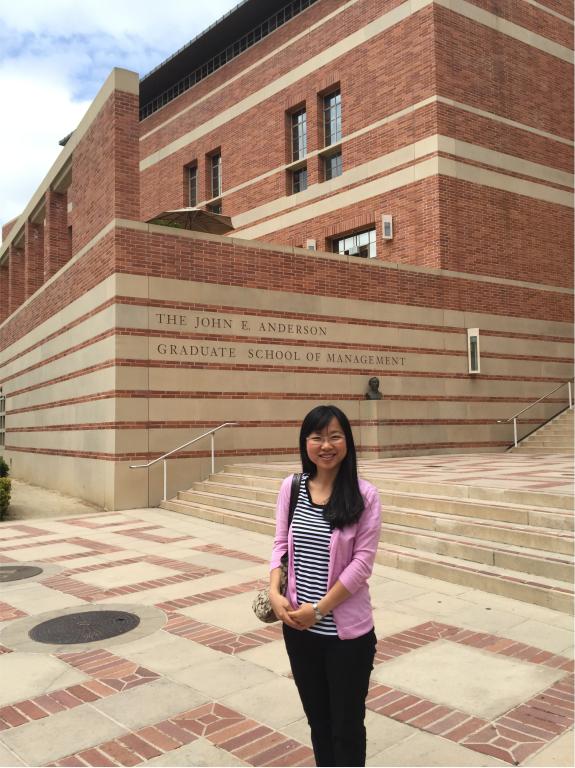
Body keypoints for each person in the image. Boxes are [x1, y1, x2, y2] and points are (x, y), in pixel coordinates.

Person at [269, 404, 381, 767]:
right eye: (317, 437)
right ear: (306, 443)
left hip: (346, 638)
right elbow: (280, 545)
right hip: (299, 631)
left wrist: (319, 610)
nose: (326, 445)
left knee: (346, 727)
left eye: (335, 436)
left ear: (347, 442)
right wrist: (274, 591)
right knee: (318, 722)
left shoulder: (365, 496)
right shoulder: (292, 488)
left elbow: (361, 565)